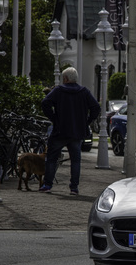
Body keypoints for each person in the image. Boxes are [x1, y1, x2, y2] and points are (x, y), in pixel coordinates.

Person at [39, 67, 100, 195]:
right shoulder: (84, 92)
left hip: (60, 131)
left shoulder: (58, 91)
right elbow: (96, 107)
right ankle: (74, 188)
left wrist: (54, 118)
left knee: (51, 158)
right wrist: (87, 121)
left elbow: (45, 103)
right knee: (76, 160)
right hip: (77, 132)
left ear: (65, 79)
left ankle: (47, 184)